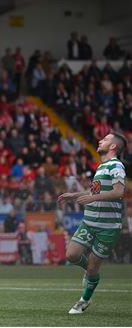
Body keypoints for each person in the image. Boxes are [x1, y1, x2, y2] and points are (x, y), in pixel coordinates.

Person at [58, 132, 127, 314]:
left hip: (108, 227)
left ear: (113, 147)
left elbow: (119, 192)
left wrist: (89, 198)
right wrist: (75, 195)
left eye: (105, 139)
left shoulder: (116, 166)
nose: (100, 140)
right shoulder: (101, 166)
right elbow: (94, 192)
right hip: (89, 222)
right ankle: (90, 272)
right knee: (71, 254)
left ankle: (84, 300)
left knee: (93, 266)